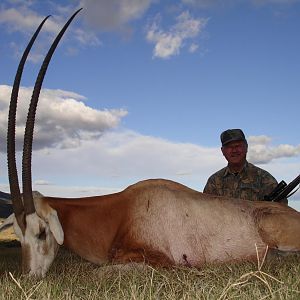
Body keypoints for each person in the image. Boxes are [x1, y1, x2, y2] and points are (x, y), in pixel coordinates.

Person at [203, 129, 287, 204]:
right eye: (229, 147)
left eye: (238, 146)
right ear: (223, 151)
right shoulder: (213, 182)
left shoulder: (265, 179)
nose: (234, 150)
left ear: (246, 147)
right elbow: (205, 211)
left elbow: (281, 214)